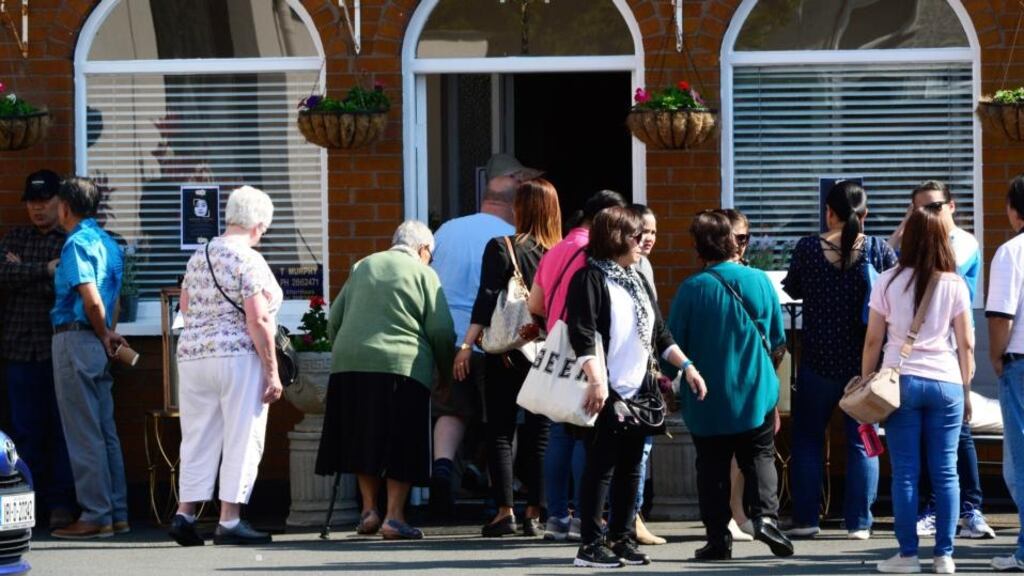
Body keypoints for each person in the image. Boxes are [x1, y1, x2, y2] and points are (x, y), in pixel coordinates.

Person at [567, 207, 705, 569]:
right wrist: (597, 380)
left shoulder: (636, 279)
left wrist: (687, 367)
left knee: (631, 469)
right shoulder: (590, 279)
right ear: (615, 238)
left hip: (639, 390)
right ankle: (590, 545)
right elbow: (581, 334)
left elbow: (660, 334)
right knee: (601, 468)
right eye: (634, 234)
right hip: (606, 388)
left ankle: (621, 537)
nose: (642, 239)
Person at [667, 209, 793, 561]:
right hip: (756, 389)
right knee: (760, 456)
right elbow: (777, 340)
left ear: (698, 246)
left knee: (711, 465)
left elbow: (673, 344)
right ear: (731, 242)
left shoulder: (692, 289)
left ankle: (718, 538)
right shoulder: (760, 281)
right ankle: (766, 517)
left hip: (708, 394)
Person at [316, 220, 454, 540]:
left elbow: (333, 320)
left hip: (350, 365)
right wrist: (445, 373)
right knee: (402, 441)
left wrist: (346, 352)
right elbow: (441, 330)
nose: (430, 260)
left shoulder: (363, 265)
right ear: (422, 250)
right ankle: (394, 517)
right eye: (430, 255)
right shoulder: (424, 274)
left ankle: (368, 510)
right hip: (401, 366)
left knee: (364, 436)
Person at [168, 186, 283, 547]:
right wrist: (273, 370)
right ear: (259, 223)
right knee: (242, 436)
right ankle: (229, 520)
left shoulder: (199, 255)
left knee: (198, 435)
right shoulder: (249, 259)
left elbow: (185, 306)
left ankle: (185, 513)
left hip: (193, 355)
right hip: (236, 356)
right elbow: (259, 319)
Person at [783, 181, 897, 540]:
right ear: (864, 216)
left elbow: (794, 289)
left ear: (828, 212)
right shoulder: (877, 250)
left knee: (806, 440)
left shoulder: (807, 249)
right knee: (863, 440)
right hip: (863, 365)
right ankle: (859, 524)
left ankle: (805, 520)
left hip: (817, 360)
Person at [864, 207, 973, 574]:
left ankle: (908, 555)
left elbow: (873, 341)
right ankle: (945, 555)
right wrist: (967, 391)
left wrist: (867, 383)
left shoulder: (887, 281)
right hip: (947, 383)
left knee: (906, 473)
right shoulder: (955, 283)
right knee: (946, 472)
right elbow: (967, 345)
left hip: (901, 382)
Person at [428, 153, 538, 517]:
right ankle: (502, 489)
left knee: (452, 410)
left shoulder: (446, 230)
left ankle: (442, 470)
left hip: (449, 337)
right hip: (496, 343)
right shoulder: (511, 240)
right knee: (502, 421)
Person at [890, 180, 994, 540]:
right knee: (923, 447)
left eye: (935, 207)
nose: (930, 215)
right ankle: (937, 510)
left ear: (952, 207)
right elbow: (891, 270)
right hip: (920, 365)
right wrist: (901, 233)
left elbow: (944, 284)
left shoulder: (963, 244)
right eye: (922, 210)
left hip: (948, 361)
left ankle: (971, 508)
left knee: (956, 442)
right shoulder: (911, 247)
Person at [456, 178, 560, 537]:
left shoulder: (502, 247)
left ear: (521, 209)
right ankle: (536, 510)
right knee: (540, 433)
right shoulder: (562, 253)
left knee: (500, 431)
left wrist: (467, 345)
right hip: (548, 351)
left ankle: (504, 511)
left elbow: (487, 298)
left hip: (508, 353)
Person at [527, 189, 626, 541]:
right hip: (589, 351)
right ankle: (587, 516)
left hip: (556, 347)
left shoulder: (554, 250)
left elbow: (534, 304)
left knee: (558, 433)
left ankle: (556, 517)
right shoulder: (593, 255)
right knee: (589, 435)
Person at [49, 177, 129, 540]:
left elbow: (91, 298)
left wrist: (100, 332)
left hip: (76, 340)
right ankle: (117, 513)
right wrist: (109, 335)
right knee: (105, 431)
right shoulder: (110, 244)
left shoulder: (77, 243)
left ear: (65, 206)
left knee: (83, 433)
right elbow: (113, 301)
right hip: (99, 343)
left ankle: (96, 515)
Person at [0, 169, 75, 530]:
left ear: (61, 202)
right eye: (32, 201)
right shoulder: (15, 237)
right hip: (18, 351)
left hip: (55, 350)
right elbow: (2, 276)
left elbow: (66, 288)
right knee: (23, 433)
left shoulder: (70, 242)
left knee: (60, 431)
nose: (38, 208)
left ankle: (60, 504)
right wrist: (44, 270)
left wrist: (26, 273)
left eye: (45, 201)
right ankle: (25, 506)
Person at [987, 174, 1024, 572]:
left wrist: (997, 358)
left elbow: (1000, 315)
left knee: (1020, 464)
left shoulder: (1012, 251)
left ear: (1015, 211)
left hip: (1021, 363)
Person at [626, 203, 665, 546]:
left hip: (646, 367)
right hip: (629, 374)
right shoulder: (623, 270)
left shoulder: (644, 265)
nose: (649, 238)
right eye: (643, 232)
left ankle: (630, 516)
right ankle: (630, 518)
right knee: (638, 449)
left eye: (653, 231)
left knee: (642, 448)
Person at [720, 208, 755, 542]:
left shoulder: (751, 275)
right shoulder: (709, 278)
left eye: (746, 238)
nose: (742, 245)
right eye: (737, 238)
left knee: (742, 450)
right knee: (726, 449)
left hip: (746, 371)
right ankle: (730, 514)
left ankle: (737, 512)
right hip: (721, 372)